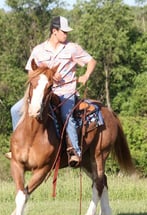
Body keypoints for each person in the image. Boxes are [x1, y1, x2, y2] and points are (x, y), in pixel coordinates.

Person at [6, 16, 96, 166]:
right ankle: (18, 146)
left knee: (67, 116)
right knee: (15, 110)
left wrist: (86, 75)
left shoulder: (72, 48)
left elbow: (91, 61)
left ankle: (75, 152)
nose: (66, 35)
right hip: (43, 92)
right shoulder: (39, 50)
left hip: (65, 91)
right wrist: (49, 77)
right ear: (54, 31)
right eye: (64, 32)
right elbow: (31, 72)